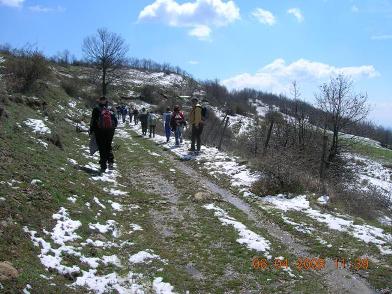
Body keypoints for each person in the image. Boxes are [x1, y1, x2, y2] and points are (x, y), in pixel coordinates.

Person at [89, 96, 118, 173]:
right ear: (106, 101)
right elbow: (115, 119)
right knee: (108, 146)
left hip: (99, 131)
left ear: (99, 101)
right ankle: (111, 162)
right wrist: (113, 128)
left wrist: (91, 130)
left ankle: (103, 166)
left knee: (102, 147)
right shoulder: (111, 108)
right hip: (110, 131)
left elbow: (93, 120)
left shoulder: (96, 109)